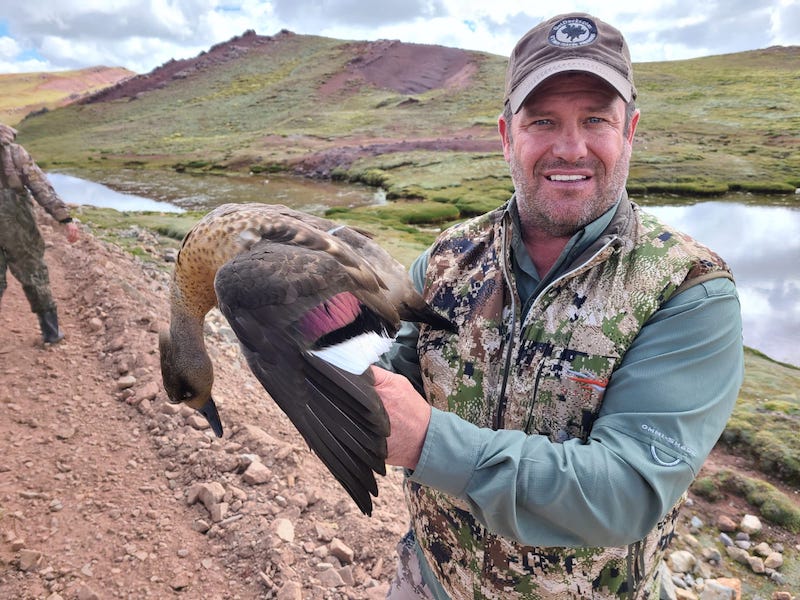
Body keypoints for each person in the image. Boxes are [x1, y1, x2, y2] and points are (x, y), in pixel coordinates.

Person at [371, 12, 744, 600]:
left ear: (630, 131)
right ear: (505, 136)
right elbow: (396, 372)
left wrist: (427, 444)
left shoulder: (689, 290)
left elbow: (627, 490)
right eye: (542, 121)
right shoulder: (445, 259)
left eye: (595, 119)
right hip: (430, 582)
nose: (571, 148)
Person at [0, 123, 80, 344]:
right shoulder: (15, 152)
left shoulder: (15, 152)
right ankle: (51, 333)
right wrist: (64, 218)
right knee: (34, 274)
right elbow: (40, 187)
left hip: (16, 220)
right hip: (17, 222)